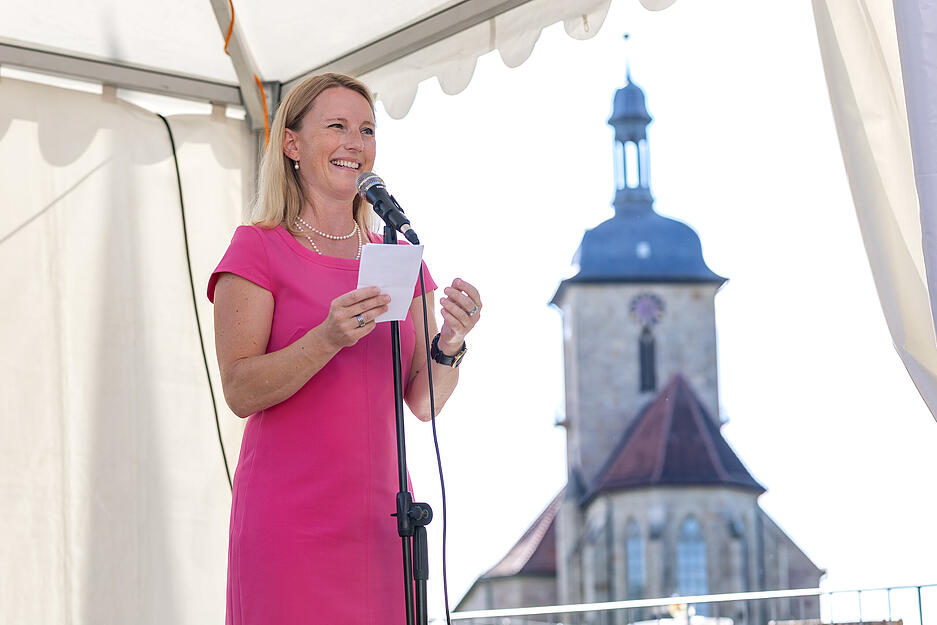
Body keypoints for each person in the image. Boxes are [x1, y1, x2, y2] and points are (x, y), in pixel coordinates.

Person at [207, 72, 481, 625]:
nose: (355, 143)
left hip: (384, 522)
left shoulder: (397, 255)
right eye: (337, 126)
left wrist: (450, 342)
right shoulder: (258, 247)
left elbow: (422, 401)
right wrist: (326, 338)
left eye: (367, 130)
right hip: (289, 525)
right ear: (292, 144)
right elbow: (239, 390)